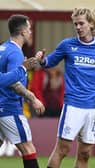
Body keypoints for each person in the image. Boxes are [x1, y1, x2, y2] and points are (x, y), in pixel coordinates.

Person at [37, 8, 95, 168]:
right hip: (73, 105)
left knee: (85, 154)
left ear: (92, 23)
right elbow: (50, 62)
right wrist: (42, 60)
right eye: (75, 24)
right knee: (62, 150)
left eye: (81, 23)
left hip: (93, 108)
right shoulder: (67, 45)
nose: (78, 27)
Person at [0, 14, 45, 168]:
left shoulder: (3, 48)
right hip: (9, 108)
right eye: (30, 29)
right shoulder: (15, 53)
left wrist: (29, 64)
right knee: (28, 149)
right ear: (23, 32)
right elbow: (13, 82)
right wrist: (33, 98)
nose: (31, 32)